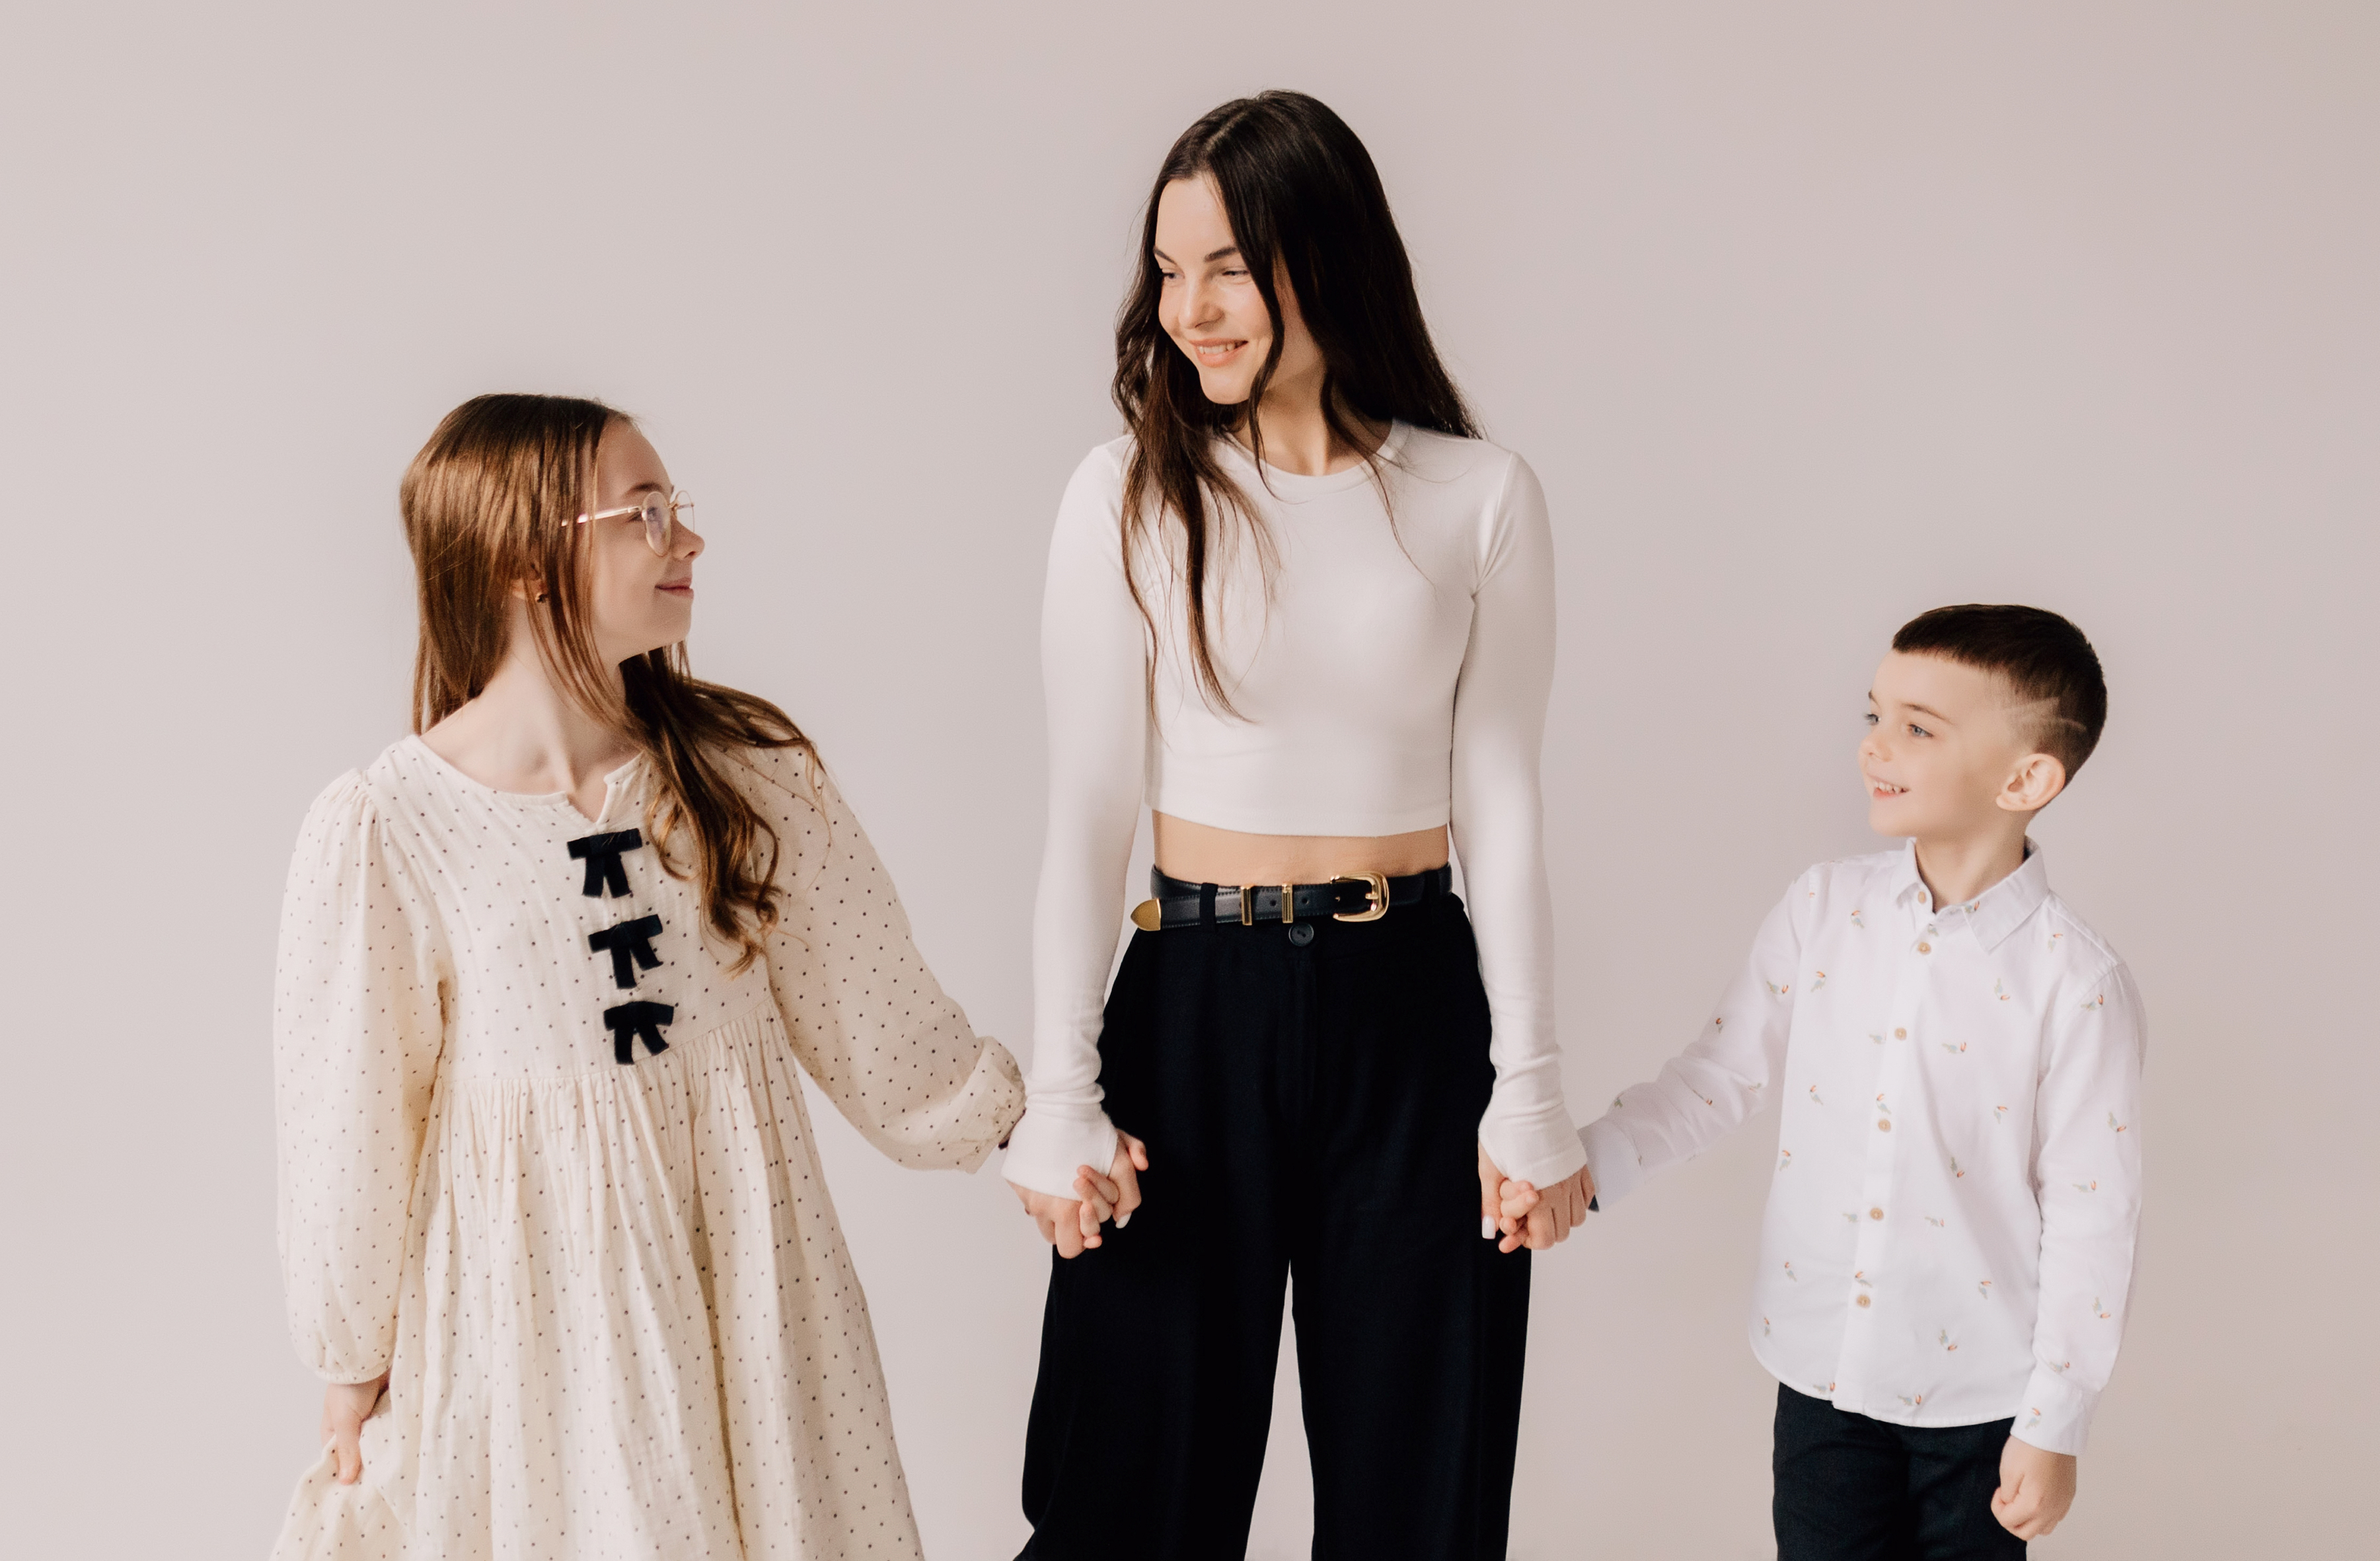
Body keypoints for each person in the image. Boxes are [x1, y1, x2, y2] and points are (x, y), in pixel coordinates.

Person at [269, 393, 1024, 1560]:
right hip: (537, 1337)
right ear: (525, 558)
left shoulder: (745, 777)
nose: (689, 539)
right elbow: (353, 1118)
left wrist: (1020, 1134)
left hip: (756, 1311)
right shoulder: (393, 826)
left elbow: (872, 1004)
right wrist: (352, 1357)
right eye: (647, 513)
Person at [1004, 91, 1585, 1558]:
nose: (1188, 309)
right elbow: (1086, 805)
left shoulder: (1475, 495)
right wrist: (1062, 1090)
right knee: (1127, 1489)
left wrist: (1529, 1082)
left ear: (1324, 256)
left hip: (1414, 1008)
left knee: (1422, 1494)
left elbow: (1502, 801)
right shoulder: (1128, 491)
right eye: (1168, 270)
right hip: (1191, 1003)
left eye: (1227, 267)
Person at [1505, 605, 2145, 1556]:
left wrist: (2057, 1420)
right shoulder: (1823, 907)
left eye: (1918, 728)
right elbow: (1717, 1076)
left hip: (1981, 1403)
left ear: (2025, 779)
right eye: (1874, 714)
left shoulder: (2077, 982)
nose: (1873, 746)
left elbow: (2094, 1212)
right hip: (1820, 1376)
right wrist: (1580, 1165)